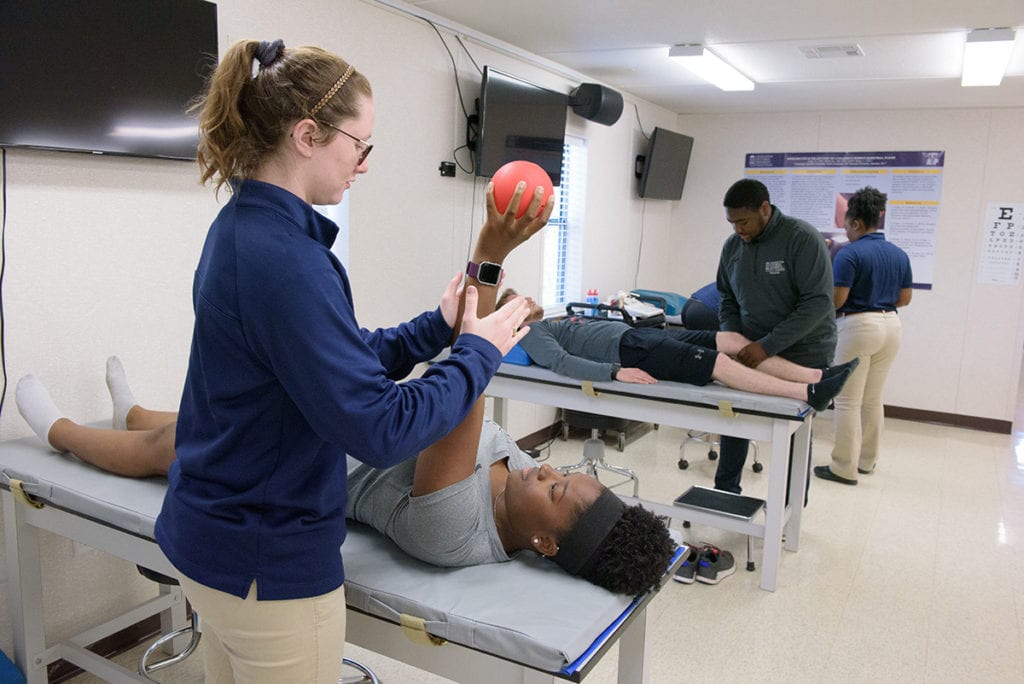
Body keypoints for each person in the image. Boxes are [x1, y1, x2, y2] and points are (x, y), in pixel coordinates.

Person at [142, 37, 548, 683]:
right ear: (308, 135)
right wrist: (479, 352)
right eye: (360, 145)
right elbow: (383, 429)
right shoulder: (289, 261)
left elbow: (332, 357)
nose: (363, 163)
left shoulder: (246, 229)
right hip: (266, 570)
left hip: (211, 543)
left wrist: (435, 329)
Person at [15, 357, 675, 597]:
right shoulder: (526, 486)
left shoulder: (458, 528)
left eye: (557, 489)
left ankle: (60, 433)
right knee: (217, 412)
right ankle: (130, 413)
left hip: (300, 467)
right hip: (332, 424)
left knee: (177, 445)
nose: (547, 468)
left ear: (545, 544)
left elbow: (461, 380)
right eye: (564, 472)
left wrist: (490, 270)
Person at [502, 290, 856, 411]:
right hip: (631, 351)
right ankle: (807, 393)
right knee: (718, 362)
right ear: (511, 315)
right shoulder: (530, 332)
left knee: (731, 340)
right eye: (520, 300)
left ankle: (817, 375)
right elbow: (562, 363)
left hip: (637, 337)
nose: (529, 299)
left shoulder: (550, 321)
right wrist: (614, 372)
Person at [715, 179, 838, 497]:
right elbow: (727, 297)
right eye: (732, 223)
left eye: (743, 221)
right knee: (734, 416)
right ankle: (726, 493)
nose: (738, 230)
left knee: (795, 429)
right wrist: (733, 337)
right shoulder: (733, 247)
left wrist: (767, 346)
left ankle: (790, 505)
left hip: (804, 350)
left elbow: (817, 303)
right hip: (751, 349)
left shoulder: (801, 238)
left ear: (765, 209)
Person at [814, 186, 912, 485]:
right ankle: (867, 461)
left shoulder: (849, 253)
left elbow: (838, 300)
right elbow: (905, 298)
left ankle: (843, 467)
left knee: (847, 401)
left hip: (858, 326)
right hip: (891, 326)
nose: (845, 230)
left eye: (846, 225)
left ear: (856, 223)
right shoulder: (898, 254)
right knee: (873, 398)